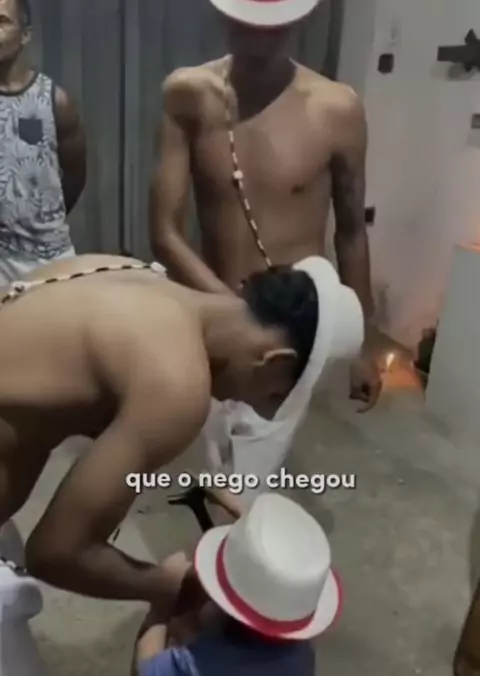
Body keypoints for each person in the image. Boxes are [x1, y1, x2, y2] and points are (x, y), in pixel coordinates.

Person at [0, 251, 357, 606]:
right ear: (275, 361)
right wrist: (170, 585)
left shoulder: (138, 275)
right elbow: (56, 553)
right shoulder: (177, 386)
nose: (254, 406)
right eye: (274, 396)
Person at [149, 0, 381, 414]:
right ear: (224, 15)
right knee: (202, 435)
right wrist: (233, 313)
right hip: (214, 312)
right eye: (246, 22)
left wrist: (363, 343)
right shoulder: (189, 94)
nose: (258, 36)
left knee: (264, 441)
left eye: (272, 25)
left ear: (298, 18)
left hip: (294, 328)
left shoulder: (336, 108)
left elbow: (350, 232)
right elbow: (165, 232)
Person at [133, 493, 340, 676]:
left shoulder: (201, 664)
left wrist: (161, 604)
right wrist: (243, 516)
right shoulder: (301, 654)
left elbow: (145, 670)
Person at [0, 0, 86, 284]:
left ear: (25, 34)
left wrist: (42, 216)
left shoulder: (55, 101)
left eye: (1, 22)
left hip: (51, 257)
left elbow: (74, 176)